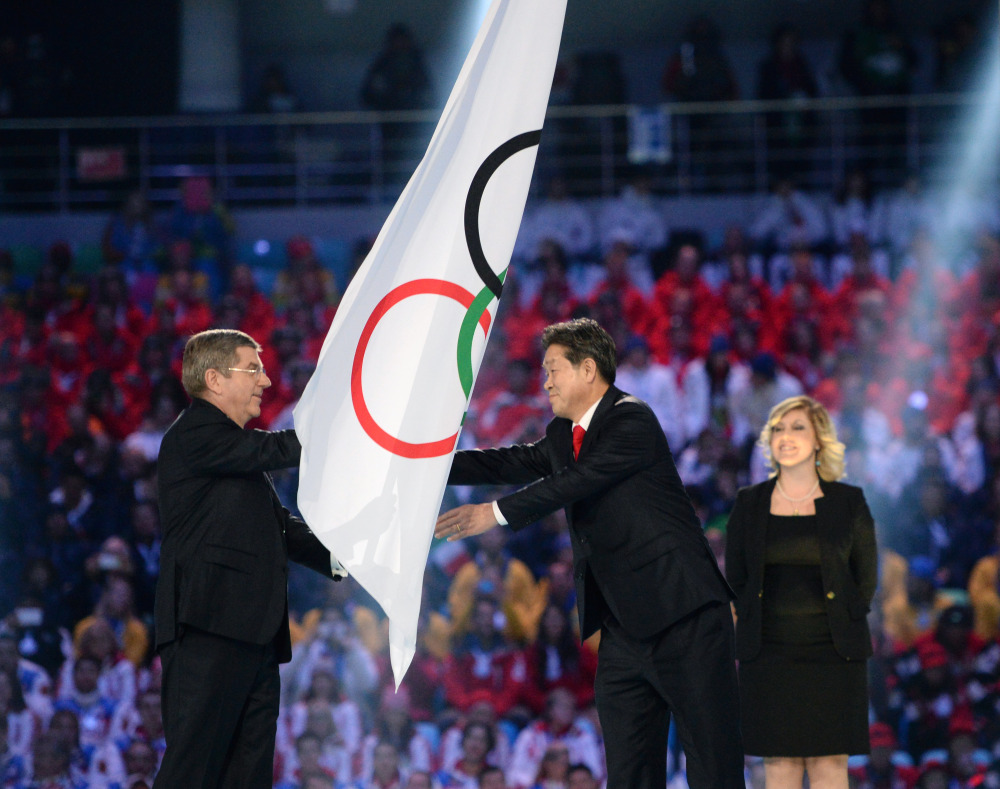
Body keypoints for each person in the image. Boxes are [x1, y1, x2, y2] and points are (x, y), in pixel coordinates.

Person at [436, 318, 743, 788]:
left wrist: (494, 513)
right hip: (621, 628)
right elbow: (505, 461)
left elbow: (576, 481)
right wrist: (425, 465)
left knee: (712, 768)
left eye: (554, 369)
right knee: (628, 773)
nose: (545, 381)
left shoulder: (632, 418)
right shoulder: (563, 434)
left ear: (588, 369)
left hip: (686, 618)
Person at [152, 328, 347, 789]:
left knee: (247, 775)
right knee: (193, 771)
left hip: (251, 634)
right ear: (215, 379)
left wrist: (345, 559)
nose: (265, 381)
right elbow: (279, 448)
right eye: (253, 369)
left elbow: (281, 528)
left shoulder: (229, 451)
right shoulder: (196, 433)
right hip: (209, 626)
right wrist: (350, 427)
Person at [725, 395, 878, 788]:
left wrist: (837, 622)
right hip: (769, 655)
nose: (786, 436)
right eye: (778, 428)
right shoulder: (748, 503)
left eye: (798, 428)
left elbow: (865, 580)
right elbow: (738, 578)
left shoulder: (849, 501)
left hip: (833, 653)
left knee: (830, 763)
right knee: (780, 766)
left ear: (819, 441)